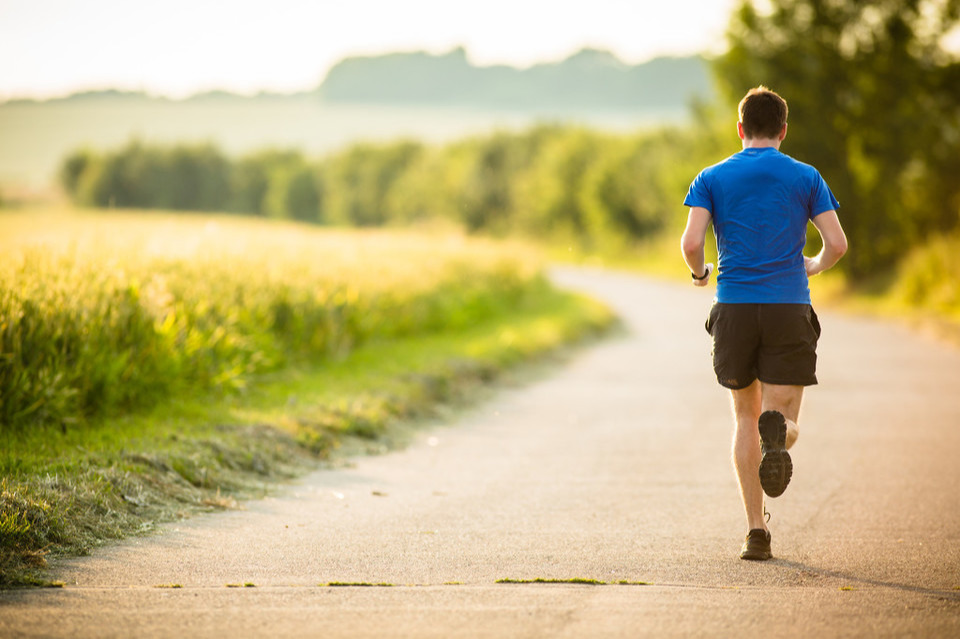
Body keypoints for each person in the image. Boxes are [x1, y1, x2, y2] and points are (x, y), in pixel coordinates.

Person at [680, 86, 848, 561]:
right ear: (783, 129)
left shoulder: (711, 176)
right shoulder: (805, 176)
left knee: (743, 418)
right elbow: (836, 244)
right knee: (782, 419)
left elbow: (692, 243)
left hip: (734, 307)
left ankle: (756, 532)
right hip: (786, 306)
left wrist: (700, 275)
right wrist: (813, 265)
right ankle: (783, 436)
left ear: (739, 129)